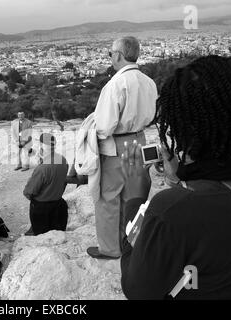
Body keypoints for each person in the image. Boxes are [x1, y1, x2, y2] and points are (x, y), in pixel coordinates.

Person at [120, 55, 231, 299]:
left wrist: (134, 200)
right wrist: (182, 180)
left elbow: (137, 290)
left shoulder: (170, 212)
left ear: (183, 130)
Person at [87, 36, 158, 260]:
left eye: (111, 54)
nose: (111, 57)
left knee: (108, 198)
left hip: (117, 145)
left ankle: (110, 249)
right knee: (134, 196)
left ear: (118, 55)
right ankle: (132, 243)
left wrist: (91, 135)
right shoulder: (149, 82)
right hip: (139, 141)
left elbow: (105, 125)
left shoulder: (115, 84)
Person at [23, 133, 69, 236]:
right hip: (58, 205)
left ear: (41, 146)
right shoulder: (63, 160)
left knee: (42, 237)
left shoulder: (42, 169)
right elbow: (63, 181)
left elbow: (28, 192)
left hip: (42, 209)